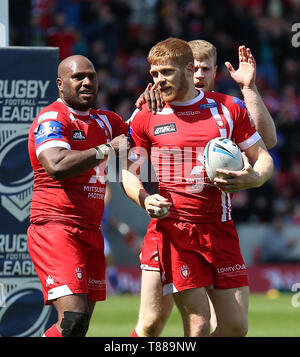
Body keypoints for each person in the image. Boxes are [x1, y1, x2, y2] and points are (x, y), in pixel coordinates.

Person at [121, 37, 274, 337]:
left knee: (235, 327)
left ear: (189, 69)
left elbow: (264, 157)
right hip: (176, 231)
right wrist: (145, 199)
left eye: (165, 72)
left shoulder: (228, 109)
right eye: (153, 74)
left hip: (221, 229)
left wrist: (253, 178)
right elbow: (128, 172)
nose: (158, 80)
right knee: (195, 324)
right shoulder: (145, 114)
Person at [27, 55, 129, 337]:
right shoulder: (53, 117)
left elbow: (138, 134)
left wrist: (150, 102)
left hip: (91, 231)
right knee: (73, 316)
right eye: (78, 77)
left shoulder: (107, 121)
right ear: (60, 84)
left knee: (78, 327)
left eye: (92, 76)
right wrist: (105, 150)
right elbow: (56, 164)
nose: (87, 82)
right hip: (56, 227)